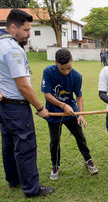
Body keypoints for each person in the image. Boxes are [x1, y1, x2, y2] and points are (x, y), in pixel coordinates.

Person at [0, 9, 54, 197]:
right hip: (16, 107)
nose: (29, 34)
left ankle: (13, 180)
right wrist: (40, 107)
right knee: (25, 145)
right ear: (13, 27)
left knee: (9, 143)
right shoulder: (12, 49)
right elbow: (23, 86)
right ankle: (31, 188)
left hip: (2, 105)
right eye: (27, 30)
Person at [41, 48, 98, 180]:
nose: (66, 72)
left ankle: (88, 160)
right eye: (63, 69)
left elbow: (79, 96)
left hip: (71, 112)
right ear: (56, 62)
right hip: (53, 113)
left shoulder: (77, 76)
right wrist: (62, 105)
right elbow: (47, 94)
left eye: (69, 68)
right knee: (55, 140)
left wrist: (80, 114)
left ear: (72, 61)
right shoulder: (48, 72)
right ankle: (55, 165)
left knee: (80, 136)